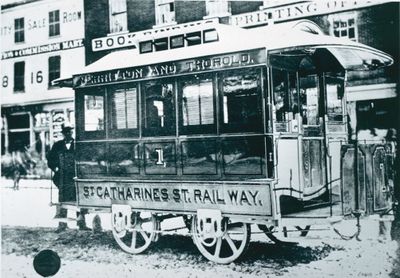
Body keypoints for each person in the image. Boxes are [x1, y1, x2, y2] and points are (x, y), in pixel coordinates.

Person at [47, 122, 89, 232]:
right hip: (62, 177)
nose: (68, 134)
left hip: (75, 177)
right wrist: (55, 168)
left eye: (70, 132)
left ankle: (81, 224)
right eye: (66, 132)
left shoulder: (78, 144)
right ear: (63, 134)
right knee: (62, 200)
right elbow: (50, 159)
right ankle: (61, 225)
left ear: (72, 133)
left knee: (79, 199)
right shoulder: (57, 145)